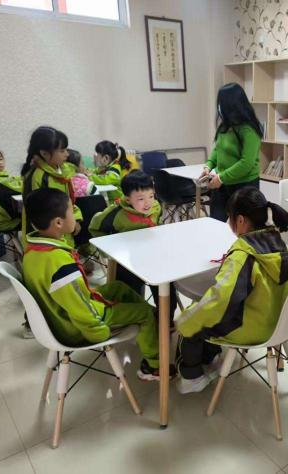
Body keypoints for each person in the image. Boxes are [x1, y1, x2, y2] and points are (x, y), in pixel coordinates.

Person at [22, 187, 173, 381]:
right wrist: (98, 332)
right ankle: (154, 367)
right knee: (144, 313)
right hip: (75, 327)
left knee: (118, 288)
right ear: (59, 223)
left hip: (60, 314)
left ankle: (149, 328)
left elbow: (75, 299)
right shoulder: (59, 263)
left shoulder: (33, 249)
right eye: (72, 210)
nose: (76, 215)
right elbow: (80, 308)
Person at [175, 187, 288, 394]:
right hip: (280, 323)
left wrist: (185, 321)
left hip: (254, 328)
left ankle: (192, 378)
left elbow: (220, 300)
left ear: (240, 220)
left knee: (193, 319)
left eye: (229, 217)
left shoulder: (243, 255)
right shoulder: (280, 244)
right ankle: (212, 357)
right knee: (204, 313)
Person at [89, 171, 176, 322]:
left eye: (151, 196)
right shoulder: (116, 213)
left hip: (154, 257)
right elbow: (95, 227)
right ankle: (138, 321)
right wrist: (109, 252)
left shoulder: (156, 206)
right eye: (141, 199)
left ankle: (164, 322)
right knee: (129, 296)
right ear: (128, 199)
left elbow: (159, 224)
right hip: (127, 261)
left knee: (167, 293)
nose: (148, 203)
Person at [201, 83, 263, 222]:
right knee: (216, 223)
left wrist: (221, 178)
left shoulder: (248, 130)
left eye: (221, 103)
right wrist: (208, 165)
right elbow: (218, 148)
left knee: (242, 227)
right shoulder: (225, 126)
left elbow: (246, 163)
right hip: (223, 184)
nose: (219, 107)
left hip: (244, 187)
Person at [21, 126, 83, 247]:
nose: (67, 154)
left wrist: (75, 219)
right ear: (44, 153)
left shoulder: (63, 171)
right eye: (62, 151)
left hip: (63, 229)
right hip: (48, 238)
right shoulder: (38, 177)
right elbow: (40, 215)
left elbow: (68, 201)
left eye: (66, 149)